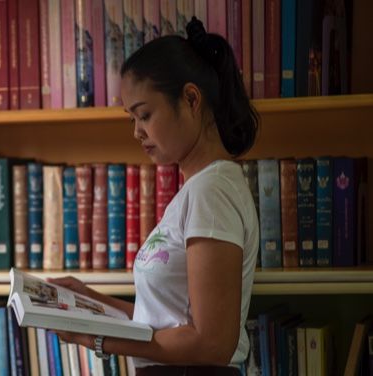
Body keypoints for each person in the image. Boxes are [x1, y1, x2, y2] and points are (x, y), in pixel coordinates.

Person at [49, 17, 260, 376]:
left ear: (191, 99)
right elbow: (165, 322)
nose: (137, 132)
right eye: (131, 119)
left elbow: (211, 343)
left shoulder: (212, 191)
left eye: (145, 115)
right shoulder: (197, 190)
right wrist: (88, 301)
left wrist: (96, 339)